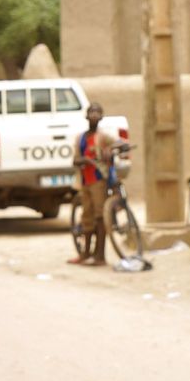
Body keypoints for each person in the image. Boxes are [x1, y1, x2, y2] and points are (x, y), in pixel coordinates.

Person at [68, 102, 114, 266]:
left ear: (101, 117)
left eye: (97, 112)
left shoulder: (104, 137)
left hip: (98, 181)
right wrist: (86, 160)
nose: (94, 115)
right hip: (85, 182)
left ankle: (100, 255)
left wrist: (111, 150)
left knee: (100, 217)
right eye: (91, 112)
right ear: (86, 116)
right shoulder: (80, 138)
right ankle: (85, 253)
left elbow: (118, 143)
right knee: (86, 217)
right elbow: (75, 159)